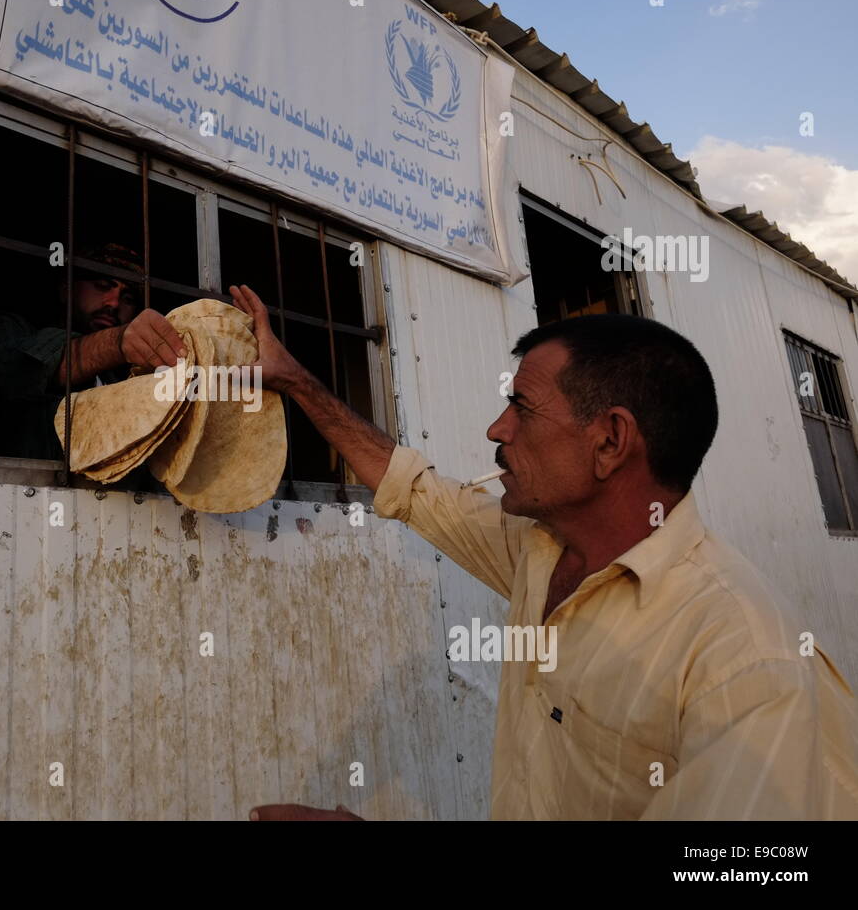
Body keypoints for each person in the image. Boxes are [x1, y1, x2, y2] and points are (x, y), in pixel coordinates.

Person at [226, 283, 858, 821]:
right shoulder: (544, 549)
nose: (497, 429)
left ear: (610, 441)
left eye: (521, 408)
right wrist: (295, 381)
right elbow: (414, 491)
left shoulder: (743, 659)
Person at [0, 243, 186, 465]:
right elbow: (17, 371)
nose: (114, 303)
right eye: (102, 286)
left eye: (127, 299)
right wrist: (117, 342)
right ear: (66, 289)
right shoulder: (9, 329)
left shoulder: (130, 377)